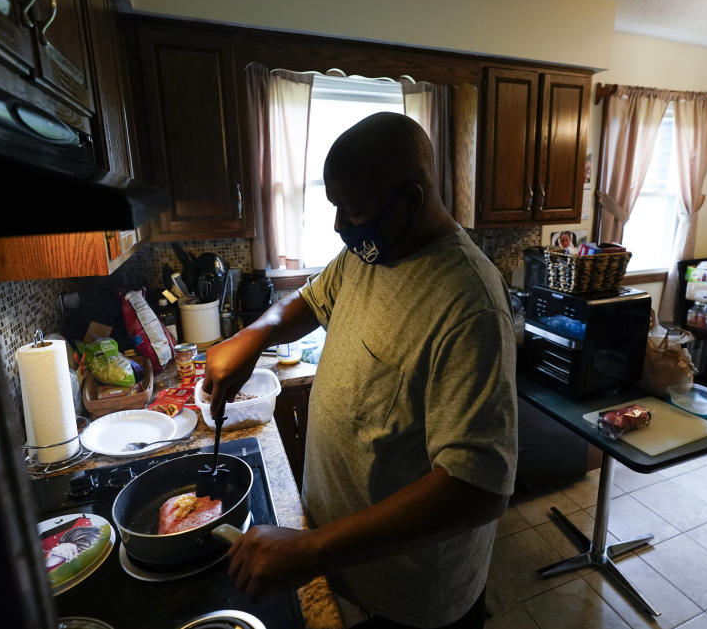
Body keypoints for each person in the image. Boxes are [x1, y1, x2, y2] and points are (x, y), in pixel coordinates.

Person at [203, 112, 518, 628]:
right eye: (336, 208)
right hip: (342, 560)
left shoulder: (469, 306)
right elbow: (307, 301)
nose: (339, 225)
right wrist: (251, 336)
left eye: (353, 209)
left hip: (409, 596)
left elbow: (476, 488)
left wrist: (313, 549)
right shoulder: (372, 250)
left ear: (412, 199)